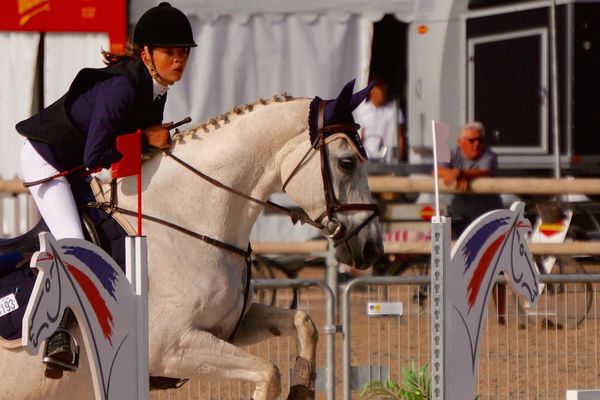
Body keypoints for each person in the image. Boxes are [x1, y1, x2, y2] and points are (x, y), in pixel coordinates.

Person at [15, 2, 196, 377]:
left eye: (183, 53)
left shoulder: (155, 89)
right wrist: (147, 136)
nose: (178, 60)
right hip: (47, 160)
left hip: (75, 163)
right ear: (146, 54)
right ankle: (58, 335)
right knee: (75, 244)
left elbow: (127, 151)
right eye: (169, 53)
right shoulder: (122, 90)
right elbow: (97, 154)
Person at [438, 121, 506, 324]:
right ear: (461, 141)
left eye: (479, 140)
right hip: (462, 211)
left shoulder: (489, 155)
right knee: (462, 261)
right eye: (471, 140)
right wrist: (450, 173)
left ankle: (501, 314)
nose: (476, 144)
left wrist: (460, 173)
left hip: (487, 213)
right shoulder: (451, 154)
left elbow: (485, 172)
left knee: (494, 264)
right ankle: (464, 311)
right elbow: (437, 171)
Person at [353, 80, 406, 163]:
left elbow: (401, 137)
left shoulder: (394, 110)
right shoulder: (363, 110)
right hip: (368, 157)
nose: (381, 95)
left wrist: (399, 161)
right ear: (371, 93)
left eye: (383, 92)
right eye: (378, 92)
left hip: (389, 160)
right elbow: (359, 137)